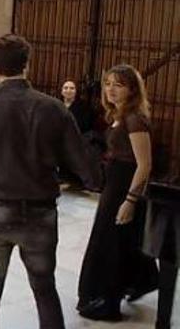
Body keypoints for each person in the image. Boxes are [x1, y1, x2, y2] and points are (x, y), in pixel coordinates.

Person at [0, 34, 96, 329]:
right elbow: (85, 168)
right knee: (45, 290)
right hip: (40, 211)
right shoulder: (54, 108)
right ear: (27, 65)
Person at [77, 65, 159, 321]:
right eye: (108, 83)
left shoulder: (135, 118)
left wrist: (130, 201)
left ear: (132, 89)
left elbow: (144, 164)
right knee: (117, 243)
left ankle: (109, 301)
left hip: (125, 187)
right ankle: (142, 281)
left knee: (111, 245)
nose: (110, 89)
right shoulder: (118, 114)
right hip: (114, 184)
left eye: (118, 84)